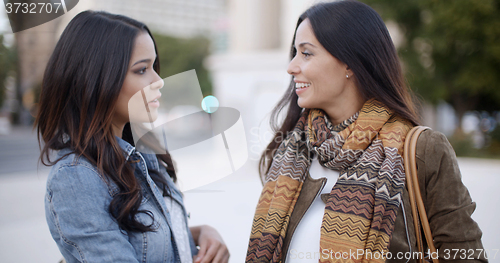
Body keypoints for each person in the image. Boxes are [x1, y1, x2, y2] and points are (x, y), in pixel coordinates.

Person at [246, 1, 486, 262]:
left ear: (350, 63)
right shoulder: (292, 152)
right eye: (294, 53)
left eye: (306, 54)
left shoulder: (422, 150)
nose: (291, 67)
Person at [35, 11, 229, 263]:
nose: (158, 81)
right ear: (96, 78)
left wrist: (200, 233)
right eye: (141, 70)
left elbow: (147, 240)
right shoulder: (76, 178)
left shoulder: (143, 152)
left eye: (153, 66)